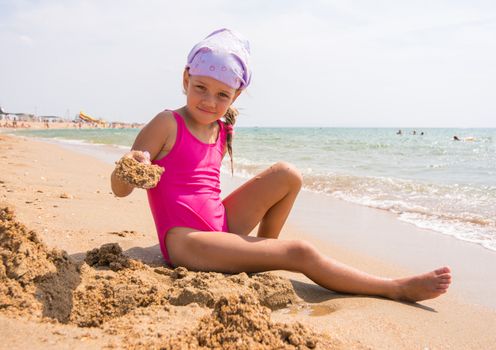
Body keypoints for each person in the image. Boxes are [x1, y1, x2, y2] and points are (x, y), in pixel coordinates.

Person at [111, 28, 451, 302]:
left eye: (221, 95)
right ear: (186, 78)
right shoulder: (167, 123)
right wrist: (131, 165)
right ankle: (393, 287)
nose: (209, 101)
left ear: (236, 96)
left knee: (288, 175)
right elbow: (120, 190)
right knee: (300, 252)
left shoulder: (221, 127)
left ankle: (262, 254)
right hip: (186, 241)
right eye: (201, 88)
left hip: (221, 226)